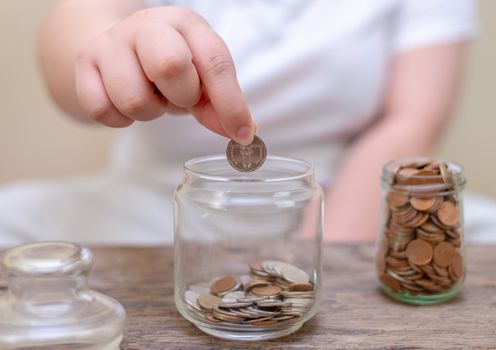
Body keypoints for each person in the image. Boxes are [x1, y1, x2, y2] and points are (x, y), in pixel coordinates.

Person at [1, 0, 487, 246]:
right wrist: (104, 54)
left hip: (347, 195)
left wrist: (324, 262)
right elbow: (76, 30)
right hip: (161, 196)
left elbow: (411, 116)